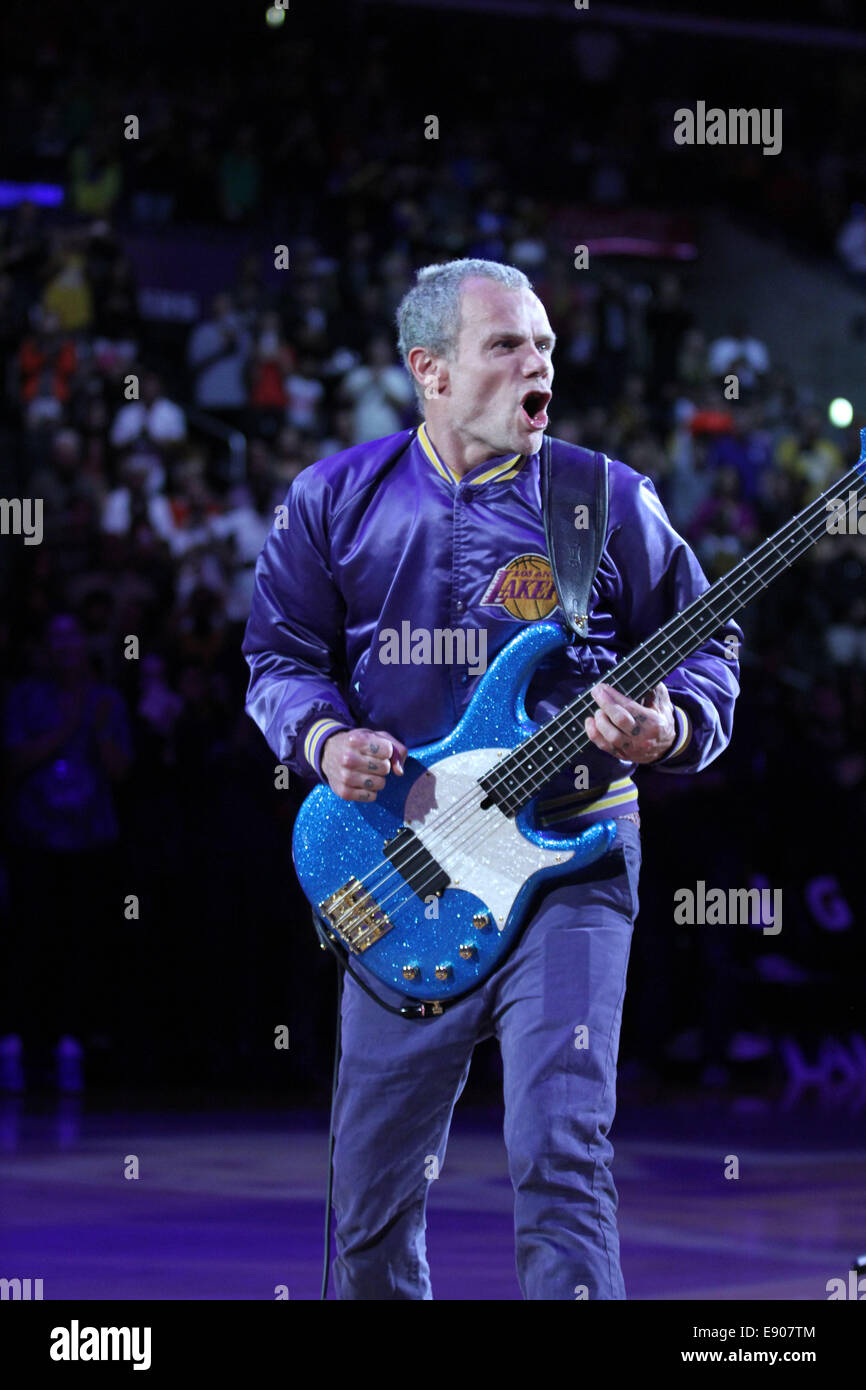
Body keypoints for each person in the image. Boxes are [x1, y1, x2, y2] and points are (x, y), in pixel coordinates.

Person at [242, 258, 741, 1300]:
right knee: (369, 1194)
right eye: (507, 344)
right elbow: (278, 656)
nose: (537, 363)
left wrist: (673, 725)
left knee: (559, 1151)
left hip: (570, 860)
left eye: (545, 345)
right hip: (403, 861)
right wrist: (324, 740)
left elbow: (707, 639)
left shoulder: (601, 499)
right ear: (428, 368)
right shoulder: (335, 497)